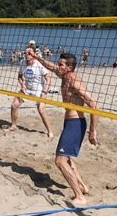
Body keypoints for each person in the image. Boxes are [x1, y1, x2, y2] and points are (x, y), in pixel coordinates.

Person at [28, 49, 98, 205]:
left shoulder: (74, 81)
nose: (57, 66)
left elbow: (93, 104)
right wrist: (37, 57)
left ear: (69, 68)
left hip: (76, 124)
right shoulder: (64, 75)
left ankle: (80, 196)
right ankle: (83, 187)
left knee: (60, 161)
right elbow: (51, 67)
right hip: (69, 123)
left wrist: (92, 131)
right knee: (68, 160)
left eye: (61, 64)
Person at [9, 48, 54, 138]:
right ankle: (14, 125)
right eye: (26, 53)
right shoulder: (22, 62)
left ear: (34, 54)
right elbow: (20, 77)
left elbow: (48, 79)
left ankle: (50, 131)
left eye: (29, 53)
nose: (27, 54)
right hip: (27, 89)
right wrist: (22, 85)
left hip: (39, 90)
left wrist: (44, 92)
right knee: (14, 105)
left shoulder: (40, 64)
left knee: (41, 109)